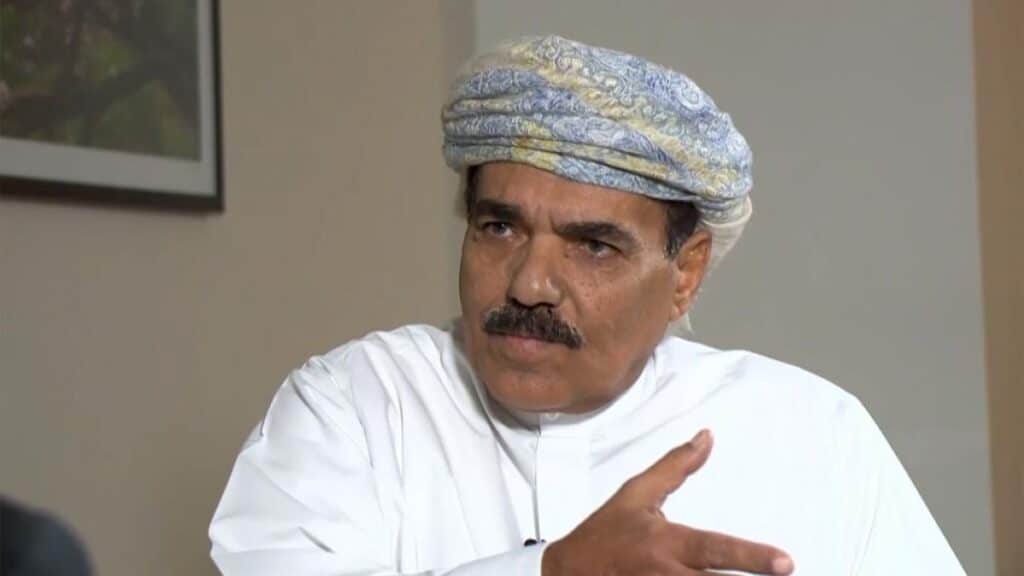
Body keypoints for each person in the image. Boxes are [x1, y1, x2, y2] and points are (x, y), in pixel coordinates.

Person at [209, 35, 964, 575]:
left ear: (686, 272)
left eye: (593, 245)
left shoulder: (811, 434)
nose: (529, 284)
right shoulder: (356, 407)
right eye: (499, 227)